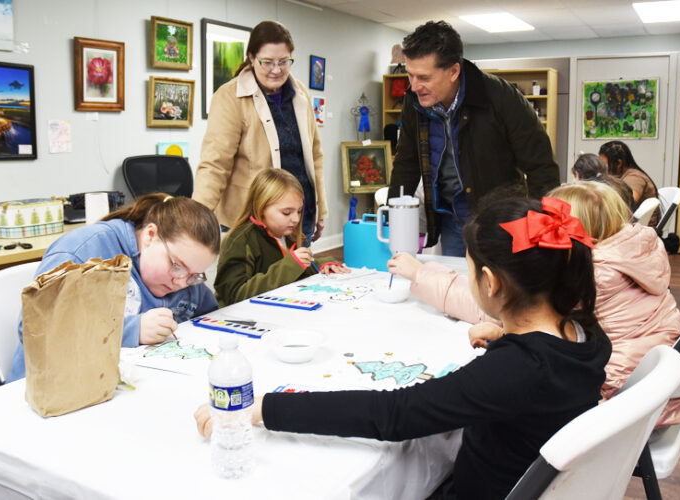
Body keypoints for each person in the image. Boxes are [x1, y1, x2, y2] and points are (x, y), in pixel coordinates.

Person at [196, 195, 611, 499]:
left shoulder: (516, 372)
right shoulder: (584, 335)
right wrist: (510, 336)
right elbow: (538, 372)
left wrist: (265, 408)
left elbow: (392, 415)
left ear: (491, 282)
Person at [389, 181, 680, 427]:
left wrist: (421, 275)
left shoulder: (588, 280)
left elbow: (487, 302)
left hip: (617, 412)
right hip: (657, 389)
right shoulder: (635, 255)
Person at [388, 21, 559, 257]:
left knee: (501, 288)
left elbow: (541, 166)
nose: (414, 86)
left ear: (453, 72)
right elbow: (407, 162)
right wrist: (393, 215)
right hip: (451, 218)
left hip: (500, 222)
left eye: (424, 77)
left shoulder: (502, 97)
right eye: (410, 75)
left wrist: (540, 226)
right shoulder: (413, 101)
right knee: (458, 284)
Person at [7, 194, 221, 382]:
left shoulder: (185, 276)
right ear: (150, 236)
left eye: (194, 276)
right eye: (176, 266)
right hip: (49, 392)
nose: (181, 282)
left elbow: (211, 317)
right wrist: (129, 331)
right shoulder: (84, 251)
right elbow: (38, 328)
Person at [193, 20, 327, 244]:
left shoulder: (300, 93)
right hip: (253, 220)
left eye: (284, 62)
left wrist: (319, 207)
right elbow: (215, 163)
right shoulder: (229, 97)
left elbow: (314, 156)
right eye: (267, 62)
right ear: (252, 57)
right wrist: (196, 216)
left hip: (297, 215)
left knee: (298, 277)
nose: (276, 70)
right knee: (261, 279)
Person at [213, 169, 348, 307]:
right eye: (286, 212)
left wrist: (322, 264)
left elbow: (296, 273)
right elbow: (235, 295)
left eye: (299, 211)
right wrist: (290, 265)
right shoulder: (239, 240)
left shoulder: (288, 235)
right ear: (261, 207)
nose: (296, 219)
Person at [599, 140, 660, 227]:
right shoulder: (622, 175)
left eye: (604, 164)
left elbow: (627, 205)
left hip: (640, 229)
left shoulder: (635, 177)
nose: (602, 168)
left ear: (619, 163)